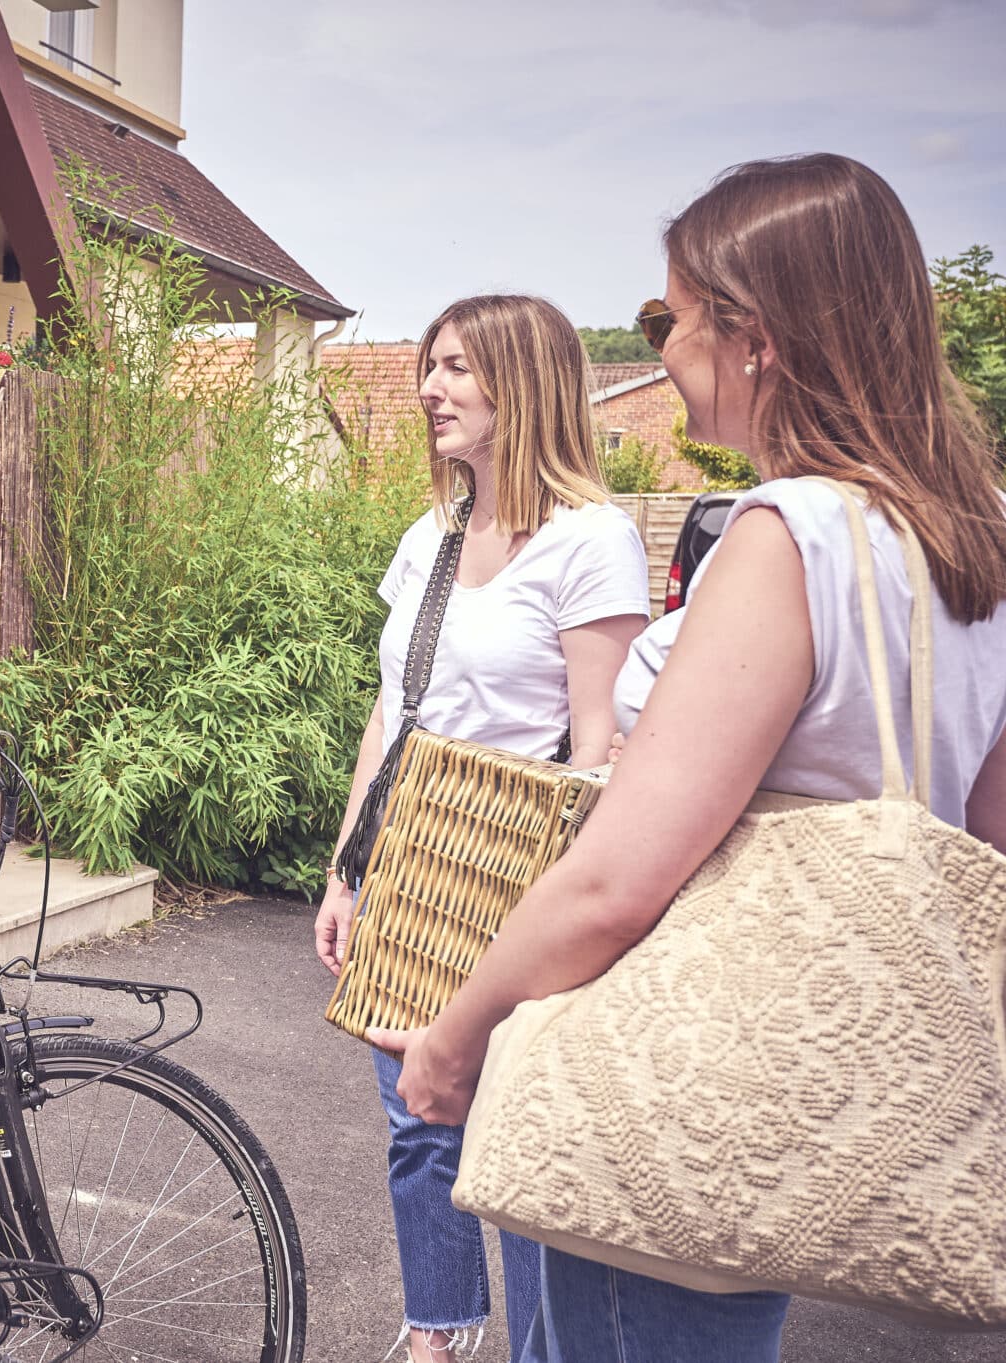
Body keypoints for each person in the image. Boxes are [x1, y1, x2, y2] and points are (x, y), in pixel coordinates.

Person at [381, 153, 1006, 1362]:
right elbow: (981, 839)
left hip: (690, 1067)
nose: (659, 349)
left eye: (668, 318)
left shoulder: (787, 534)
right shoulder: (965, 535)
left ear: (752, 338)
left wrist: (458, 1031)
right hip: (811, 1065)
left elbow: (618, 879)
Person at [315, 294, 653, 1360]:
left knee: (518, 1141)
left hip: (522, 879)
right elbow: (392, 712)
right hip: (412, 865)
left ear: (523, 381)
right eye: (430, 365)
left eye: (456, 367)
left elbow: (601, 748)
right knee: (418, 1125)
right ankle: (438, 1335)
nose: (429, 388)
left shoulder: (590, 541)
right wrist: (346, 871)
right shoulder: (432, 534)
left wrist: (573, 914)